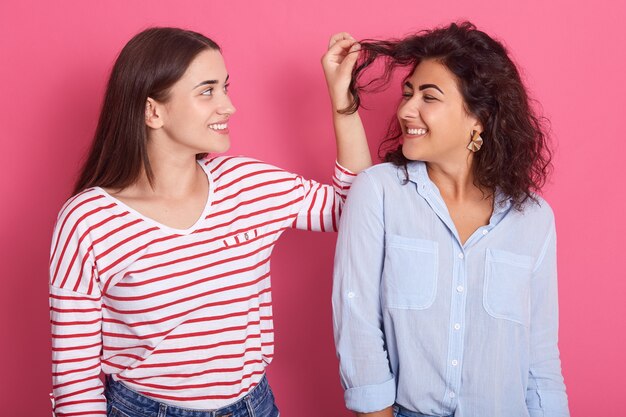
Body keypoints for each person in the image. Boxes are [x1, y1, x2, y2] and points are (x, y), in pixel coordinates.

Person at [49, 27, 368, 417]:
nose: (228, 106)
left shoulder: (248, 185)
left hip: (254, 406)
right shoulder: (89, 220)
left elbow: (354, 209)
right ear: (153, 111)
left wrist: (342, 98)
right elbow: (75, 381)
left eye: (225, 88)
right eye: (207, 91)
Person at [332, 22, 569, 417]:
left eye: (429, 96)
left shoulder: (534, 219)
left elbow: (540, 357)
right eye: (408, 93)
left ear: (479, 117)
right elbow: (357, 325)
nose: (407, 109)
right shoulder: (380, 192)